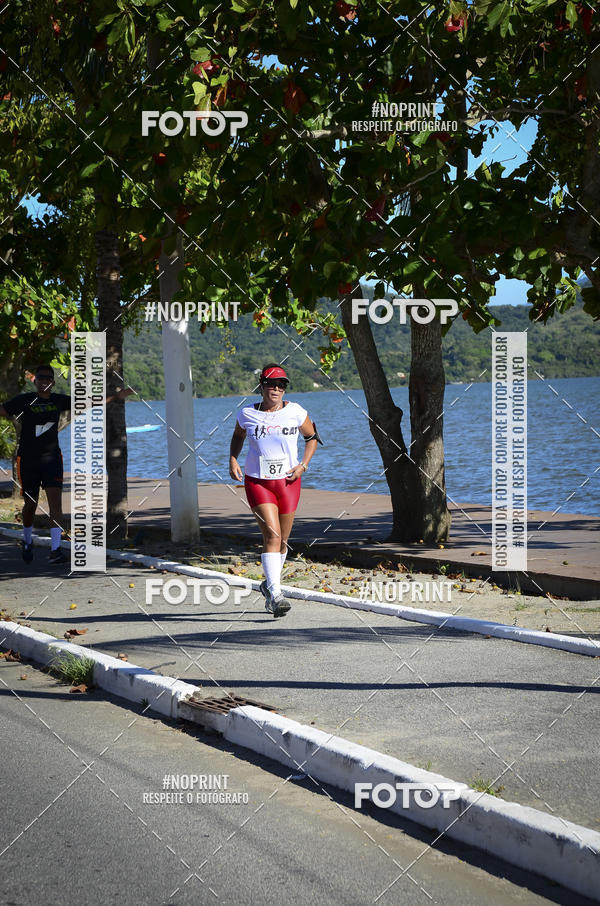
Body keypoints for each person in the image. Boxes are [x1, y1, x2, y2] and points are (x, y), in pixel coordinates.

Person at [0, 363, 132, 565]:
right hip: (27, 460)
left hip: (52, 459)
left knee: (56, 505)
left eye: (48, 378)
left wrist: (116, 396)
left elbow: (89, 402)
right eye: (40, 377)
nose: (44, 381)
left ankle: (55, 550)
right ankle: (26, 540)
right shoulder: (24, 400)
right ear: (35, 381)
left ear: (52, 382)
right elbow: (3, 410)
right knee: (30, 505)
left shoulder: (58, 400)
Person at [229, 364, 322, 618]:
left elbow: (312, 438)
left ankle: (269, 586)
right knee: (272, 535)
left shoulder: (295, 411)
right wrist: (233, 459)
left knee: (283, 541)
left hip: (288, 482)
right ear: (261, 386)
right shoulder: (247, 413)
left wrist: (303, 465)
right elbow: (238, 436)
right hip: (258, 482)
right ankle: (276, 595)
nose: (277, 389)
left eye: (281, 385)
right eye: (271, 384)